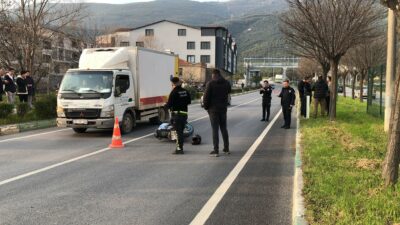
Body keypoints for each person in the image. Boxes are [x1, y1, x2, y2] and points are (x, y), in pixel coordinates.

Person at [203, 69, 231, 157]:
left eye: (212, 75)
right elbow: (229, 92)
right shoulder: (226, 83)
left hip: (213, 110)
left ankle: (216, 150)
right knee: (224, 128)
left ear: (214, 75)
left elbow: (206, 98)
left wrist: (206, 107)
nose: (212, 77)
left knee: (215, 130)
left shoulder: (210, 84)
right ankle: (226, 148)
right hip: (223, 109)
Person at [166, 77, 191, 155]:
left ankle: (179, 149)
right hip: (184, 114)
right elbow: (189, 101)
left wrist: (165, 105)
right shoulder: (185, 91)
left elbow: (169, 104)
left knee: (178, 133)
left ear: (173, 83)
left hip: (177, 115)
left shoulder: (174, 92)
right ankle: (180, 147)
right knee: (181, 132)